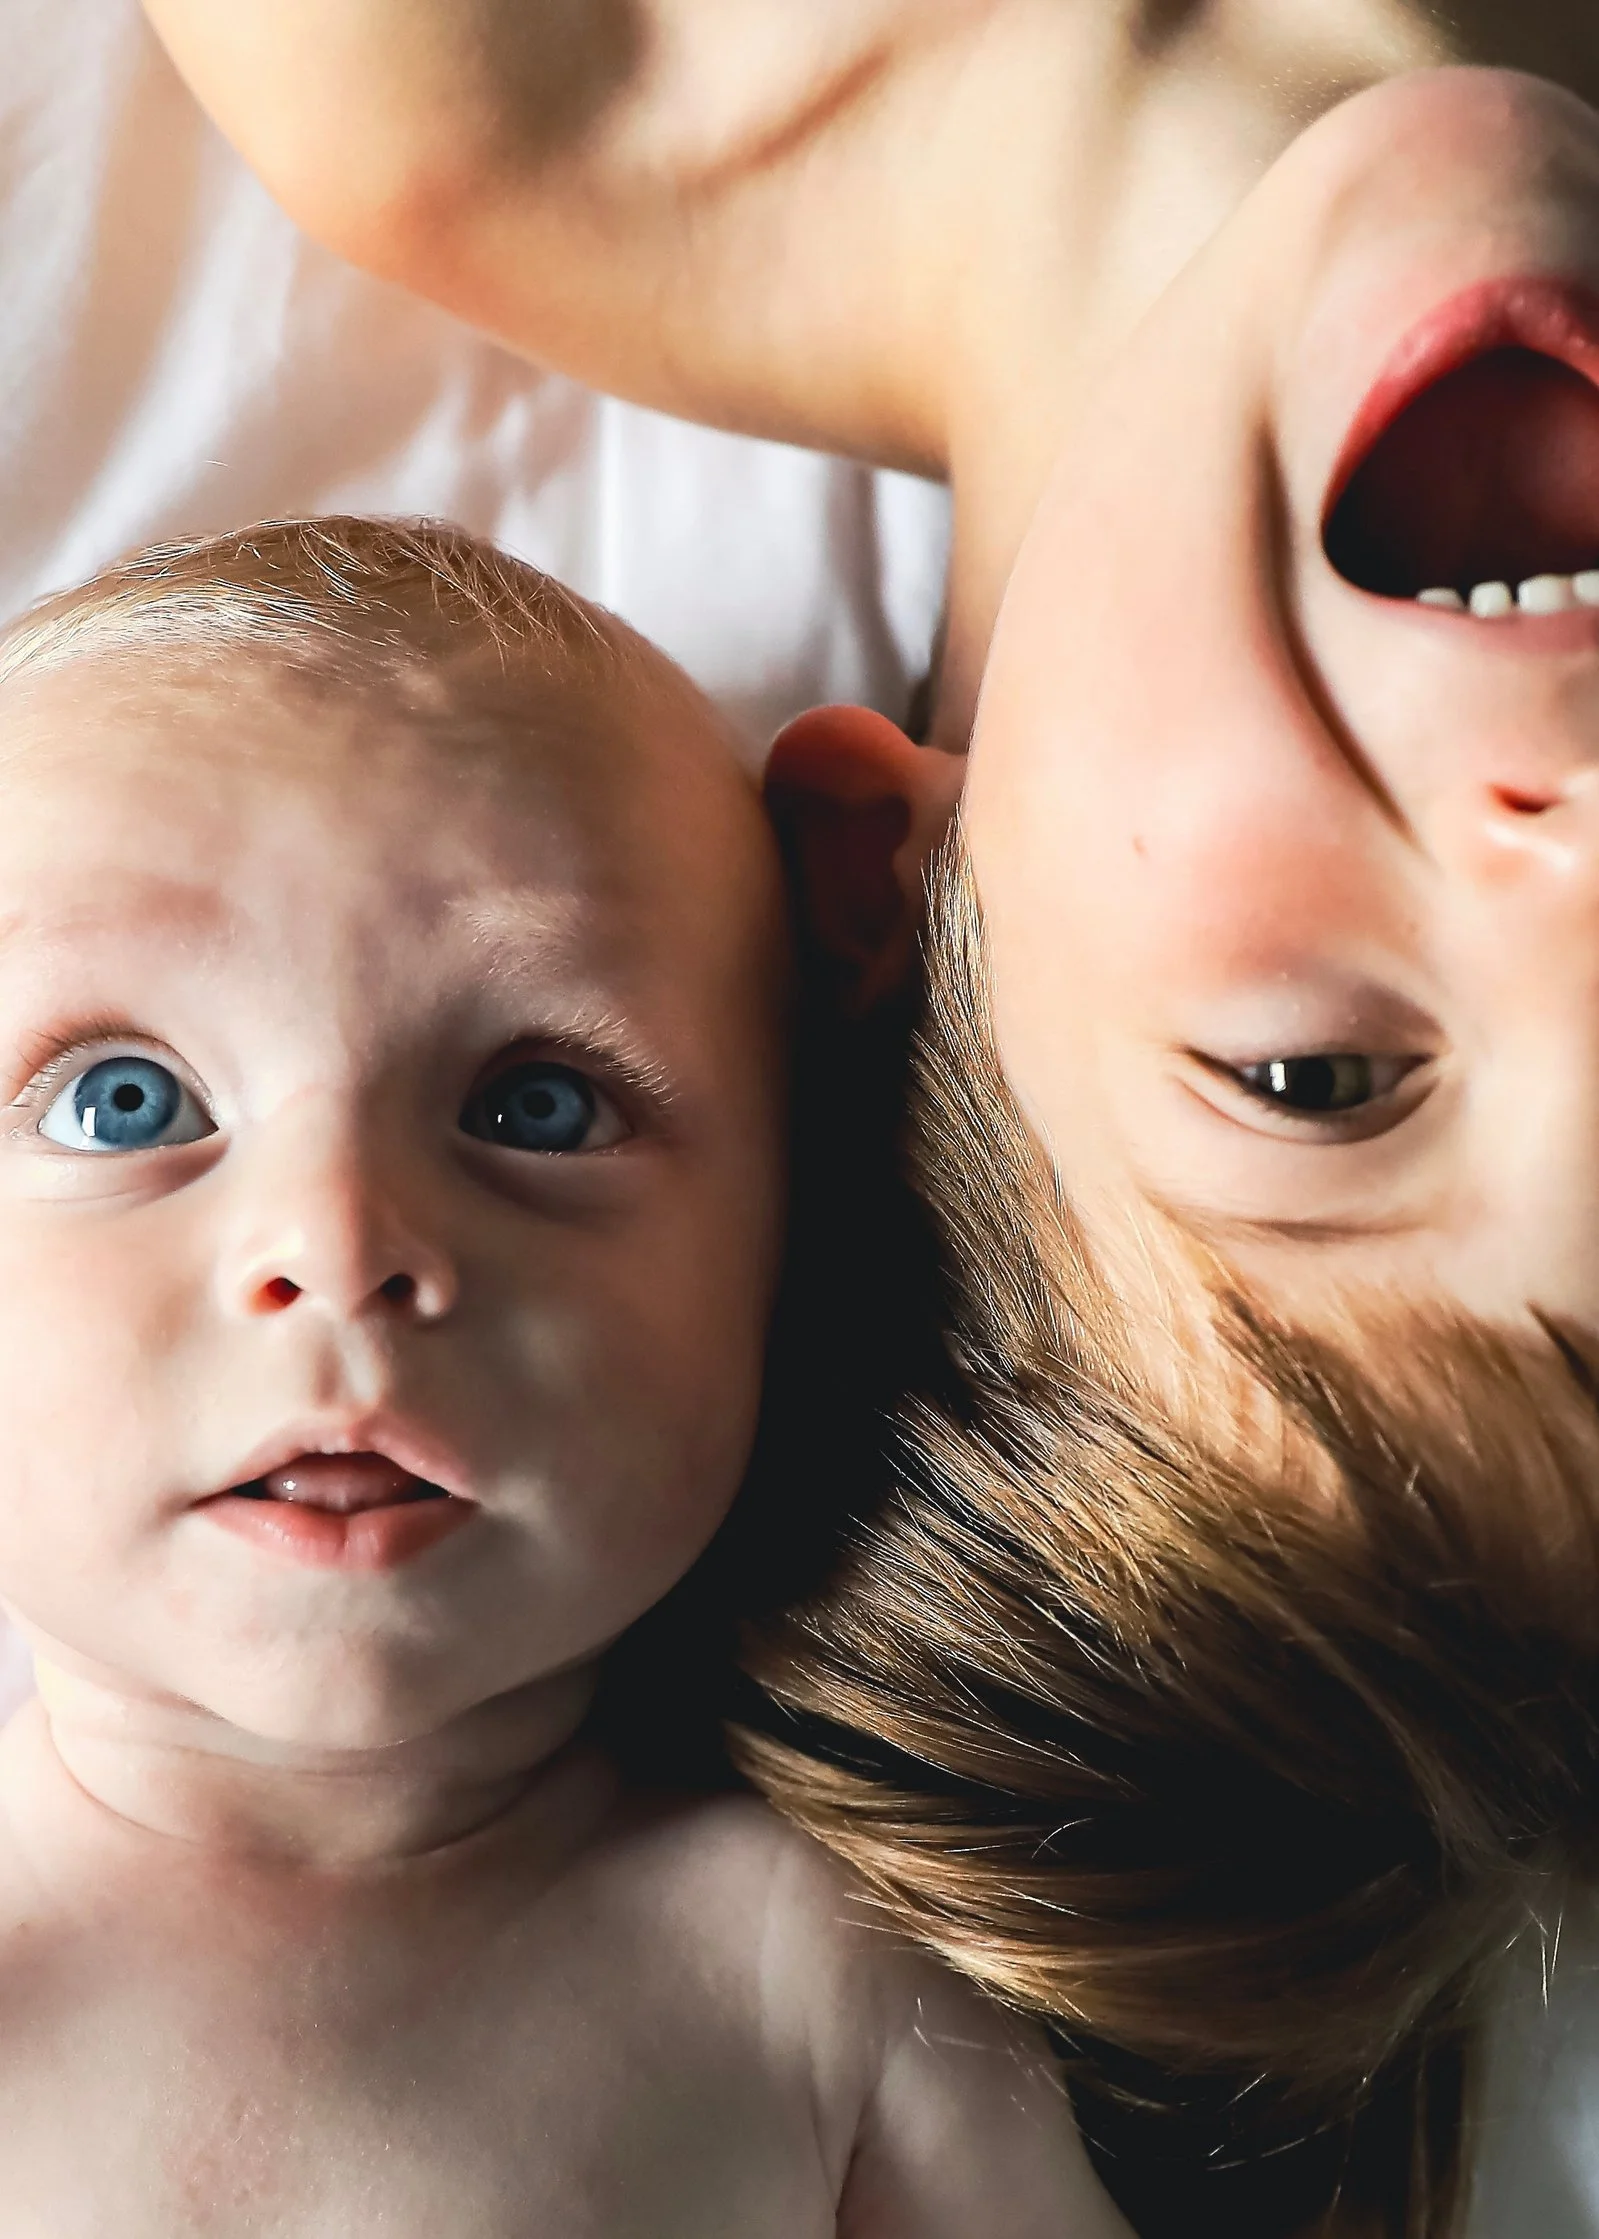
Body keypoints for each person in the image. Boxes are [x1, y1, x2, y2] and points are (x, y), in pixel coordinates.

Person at [0, 513, 1127, 2236]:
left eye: (538, 1103)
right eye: (122, 1101)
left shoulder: (814, 1985)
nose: (341, 1237)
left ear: (791, 1224)